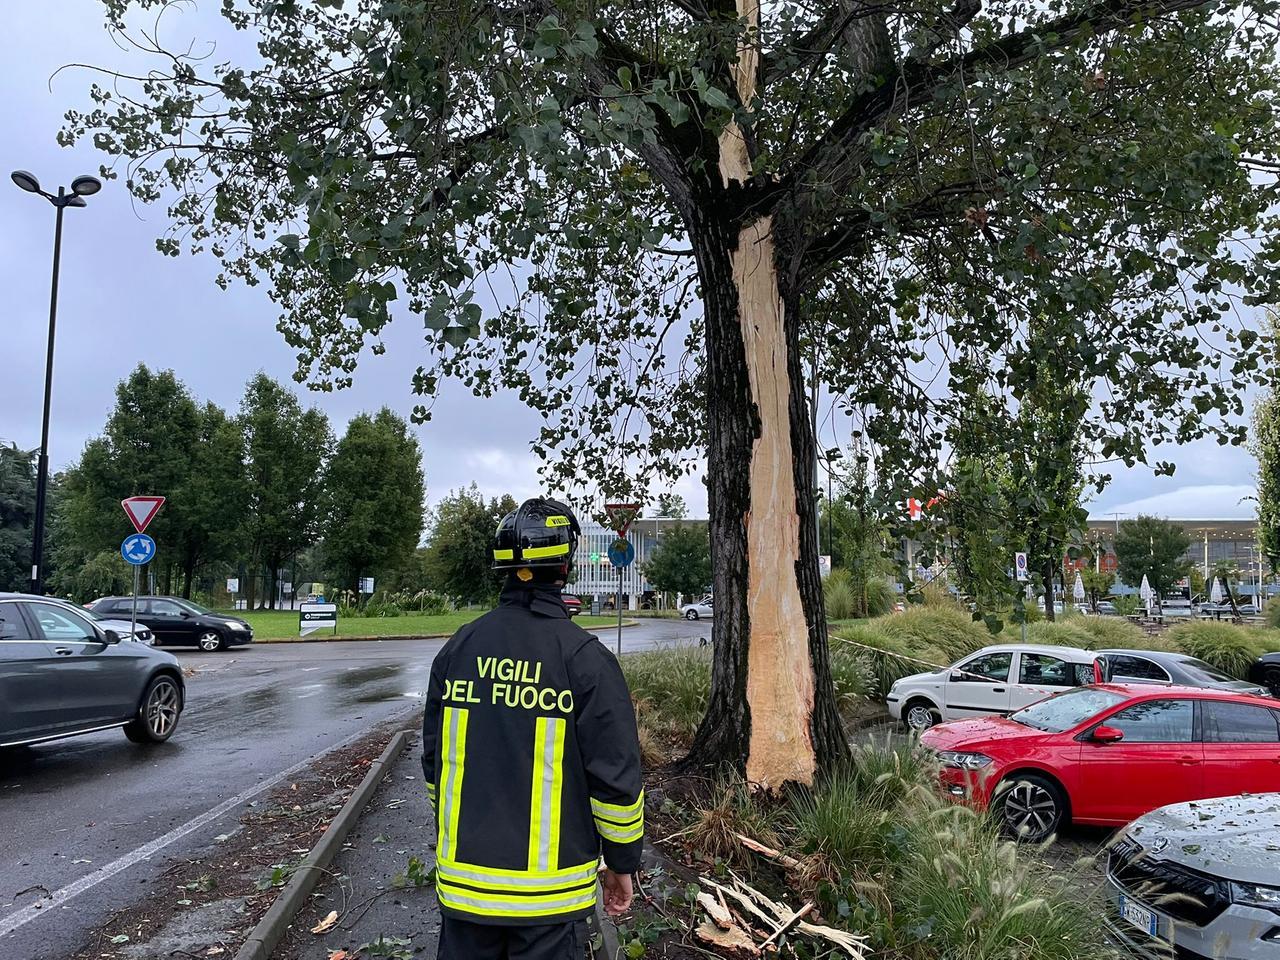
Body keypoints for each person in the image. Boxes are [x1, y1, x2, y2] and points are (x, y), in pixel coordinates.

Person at [422, 497, 644, 959]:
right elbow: (615, 783)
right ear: (566, 563)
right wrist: (621, 864)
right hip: (549, 900)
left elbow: (434, 767)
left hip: (465, 893)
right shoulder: (584, 659)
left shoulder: (458, 649)